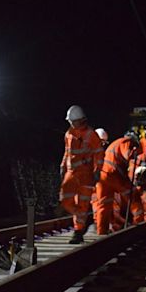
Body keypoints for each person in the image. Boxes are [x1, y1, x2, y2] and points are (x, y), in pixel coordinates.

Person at [59, 105, 104, 244]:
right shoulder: (68, 133)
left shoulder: (91, 134)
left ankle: (78, 232)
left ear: (80, 120)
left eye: (73, 121)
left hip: (86, 174)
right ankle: (80, 217)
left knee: (83, 203)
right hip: (71, 173)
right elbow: (67, 152)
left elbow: (99, 153)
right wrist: (62, 166)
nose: (71, 124)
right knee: (64, 200)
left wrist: (97, 170)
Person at [95, 132, 144, 235]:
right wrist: (134, 151)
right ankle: (139, 222)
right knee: (133, 195)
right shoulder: (126, 142)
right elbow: (127, 155)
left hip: (104, 177)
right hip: (115, 175)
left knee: (104, 204)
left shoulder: (115, 143)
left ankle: (101, 231)